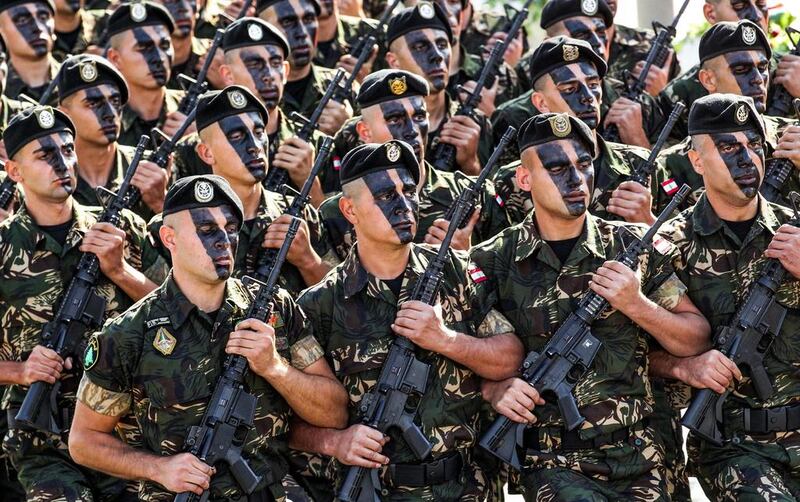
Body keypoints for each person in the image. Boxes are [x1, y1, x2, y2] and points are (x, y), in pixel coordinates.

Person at [470, 112, 711, 500]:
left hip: (643, 456)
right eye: (557, 168)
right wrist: (493, 387)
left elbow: (695, 338)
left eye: (584, 165)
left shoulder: (630, 247)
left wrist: (637, 304)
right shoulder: (491, 262)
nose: (576, 179)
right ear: (525, 179)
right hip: (552, 462)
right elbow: (470, 360)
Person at [68, 174, 349, 500]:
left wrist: (275, 367)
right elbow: (84, 440)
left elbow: (335, 413)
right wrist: (159, 468)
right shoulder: (128, 334)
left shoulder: (274, 308)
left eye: (230, 229)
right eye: (206, 230)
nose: (223, 240)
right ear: (169, 238)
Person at [290, 140, 524, 501]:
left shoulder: (452, 270)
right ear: (350, 210)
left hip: (468, 487)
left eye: (408, 191)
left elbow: (509, 355)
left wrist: (444, 339)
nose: (403, 205)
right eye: (385, 195)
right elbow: (279, 422)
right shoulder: (319, 305)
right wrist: (334, 442)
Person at [0, 105, 165, 500]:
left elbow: (182, 307)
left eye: (68, 150)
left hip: (125, 431)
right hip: (43, 440)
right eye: (45, 155)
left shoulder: (120, 229)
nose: (63, 163)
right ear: (14, 172)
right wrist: (20, 370)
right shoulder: (4, 248)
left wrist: (121, 270)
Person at [652, 93, 800, 501]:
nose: (747, 158)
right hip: (736, 445)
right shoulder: (669, 246)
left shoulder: (795, 230)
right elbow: (628, 351)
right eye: (729, 147)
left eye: (754, 145)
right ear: (697, 161)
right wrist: (686, 366)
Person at [149, 85, 335, 294]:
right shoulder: (176, 227)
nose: (255, 145)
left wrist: (308, 260)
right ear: (206, 153)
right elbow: (157, 305)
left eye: (258, 132)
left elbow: (340, 301)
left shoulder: (298, 213)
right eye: (237, 136)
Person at [320, 69, 509, 260]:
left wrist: (465, 257)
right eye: (395, 119)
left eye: (419, 117)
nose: (412, 130)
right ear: (365, 131)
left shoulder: (475, 195)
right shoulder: (339, 214)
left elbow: (511, 278)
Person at [491, 37, 660, 226]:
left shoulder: (641, 164)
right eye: (570, 89)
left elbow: (682, 248)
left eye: (594, 85)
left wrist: (648, 221)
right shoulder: (512, 180)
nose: (588, 97)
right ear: (541, 103)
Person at [174, 16, 327, 204]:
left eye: (276, 63)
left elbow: (340, 227)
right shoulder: (191, 151)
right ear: (227, 75)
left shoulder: (315, 145)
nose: (269, 76)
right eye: (255, 65)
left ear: (286, 72)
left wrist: (308, 181)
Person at [656, 21, 800, 210]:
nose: (758, 78)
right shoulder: (670, 166)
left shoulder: (793, 136)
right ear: (708, 79)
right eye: (741, 70)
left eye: (763, 68)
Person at [658, 0, 800, 136]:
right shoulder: (680, 94)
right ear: (710, 13)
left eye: (761, 4)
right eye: (739, 5)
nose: (756, 15)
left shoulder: (791, 67)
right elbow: (668, 156)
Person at [383, 1, 492, 176]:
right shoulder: (375, 123)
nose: (437, 56)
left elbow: (493, 197)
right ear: (394, 62)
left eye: (442, 45)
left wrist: (471, 165)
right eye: (420, 47)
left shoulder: (474, 124)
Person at [57, 54, 169, 220]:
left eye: (115, 102)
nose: (110, 114)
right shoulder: (51, 175)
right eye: (93, 104)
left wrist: (161, 203)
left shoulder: (151, 169)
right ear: (65, 115)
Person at [257, 0, 354, 136]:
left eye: (309, 19)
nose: (302, 32)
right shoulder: (255, 94)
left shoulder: (343, 85)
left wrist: (347, 131)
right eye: (287, 22)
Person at [104, 0, 193, 146]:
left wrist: (196, 141)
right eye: (144, 48)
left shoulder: (195, 112)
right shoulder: (104, 120)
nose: (160, 58)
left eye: (164, 45)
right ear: (115, 59)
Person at [0, 0, 60, 104]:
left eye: (43, 17)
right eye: (22, 20)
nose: (38, 28)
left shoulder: (74, 80)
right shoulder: (3, 89)